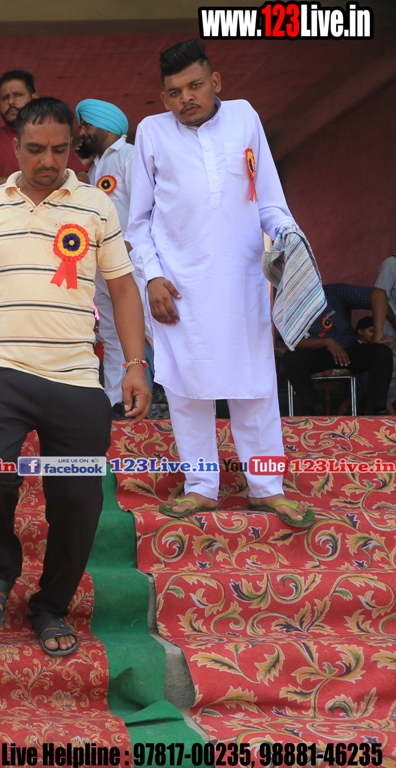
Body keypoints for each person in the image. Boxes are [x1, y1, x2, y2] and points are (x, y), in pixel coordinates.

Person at [0, 97, 150, 656]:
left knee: (78, 503)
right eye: (35, 149)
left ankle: (51, 604)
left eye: (59, 149)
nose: (48, 161)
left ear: (71, 147)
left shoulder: (96, 206)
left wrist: (134, 365)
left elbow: (123, 288)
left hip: (77, 379)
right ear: (15, 148)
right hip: (1, 371)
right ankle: (1, 567)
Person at [129, 39, 314, 527]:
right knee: (188, 389)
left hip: (243, 280)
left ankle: (267, 487)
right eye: (174, 92)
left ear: (216, 82)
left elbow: (269, 200)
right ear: (163, 97)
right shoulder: (151, 132)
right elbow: (138, 221)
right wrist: (153, 277)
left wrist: (288, 236)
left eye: (194, 86)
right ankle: (201, 487)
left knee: (256, 386)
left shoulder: (244, 117)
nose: (185, 98)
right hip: (178, 286)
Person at [74, 99, 155, 416]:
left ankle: (185, 397)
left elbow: (148, 208)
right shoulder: (95, 167)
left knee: (152, 329)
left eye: (86, 125)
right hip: (102, 267)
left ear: (103, 124)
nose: (82, 132)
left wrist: (130, 249)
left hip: (132, 264)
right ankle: (115, 402)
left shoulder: (129, 155)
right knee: (111, 332)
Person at [0, 70, 84, 197]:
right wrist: (28, 184)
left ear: (34, 98)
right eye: (5, 98)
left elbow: (82, 179)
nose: (11, 102)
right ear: (16, 146)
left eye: (18, 95)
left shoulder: (54, 136)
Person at [280, 284, 393, 415]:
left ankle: (373, 410)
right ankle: (314, 410)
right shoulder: (288, 306)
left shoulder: (333, 292)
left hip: (348, 349)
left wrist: (378, 332)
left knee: (382, 352)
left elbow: (378, 295)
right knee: (291, 359)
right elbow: (291, 340)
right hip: (315, 353)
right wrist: (327, 342)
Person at [376, 254, 396, 405]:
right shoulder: (391, 264)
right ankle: (382, 412)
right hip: (391, 330)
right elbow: (379, 298)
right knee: (392, 374)